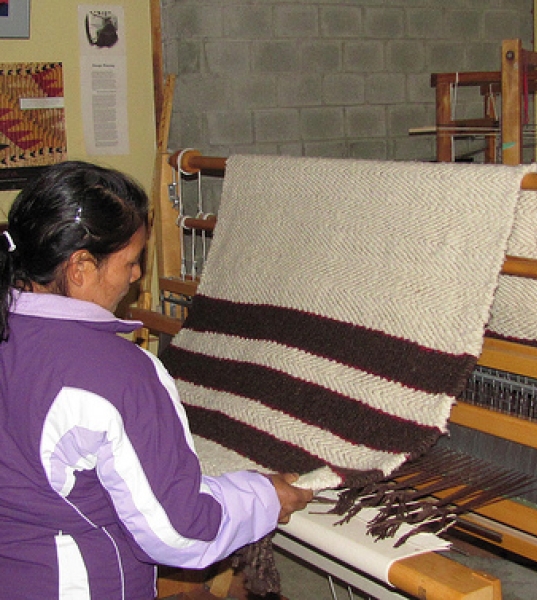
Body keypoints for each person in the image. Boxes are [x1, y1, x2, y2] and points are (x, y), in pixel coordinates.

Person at [0, 161, 312, 599]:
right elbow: (182, 532)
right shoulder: (114, 373)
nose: (135, 276)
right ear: (80, 267)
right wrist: (264, 496)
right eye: (130, 261)